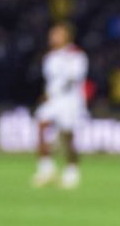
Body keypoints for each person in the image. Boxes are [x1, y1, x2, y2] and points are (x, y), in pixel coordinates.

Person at [32, 22, 89, 189]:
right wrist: (47, 95)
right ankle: (46, 169)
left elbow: (74, 78)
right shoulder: (50, 57)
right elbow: (50, 80)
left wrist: (55, 92)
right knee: (41, 125)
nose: (52, 37)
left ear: (66, 36)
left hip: (70, 101)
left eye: (56, 34)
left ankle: (72, 171)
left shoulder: (76, 55)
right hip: (53, 101)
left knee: (67, 137)